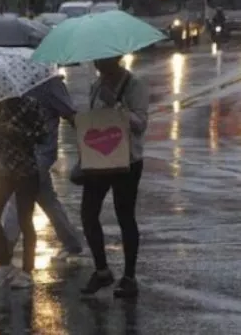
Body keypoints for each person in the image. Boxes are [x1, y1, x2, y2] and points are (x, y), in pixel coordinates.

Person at [80, 56, 149, 299]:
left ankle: (129, 276)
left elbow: (141, 124)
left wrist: (118, 107)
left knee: (125, 216)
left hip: (127, 161)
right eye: (96, 61)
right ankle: (101, 270)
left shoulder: (134, 85)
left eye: (103, 61)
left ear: (115, 60)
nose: (98, 65)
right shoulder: (96, 85)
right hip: (99, 160)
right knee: (88, 213)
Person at [0, 76, 84, 260]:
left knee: (19, 194)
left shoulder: (51, 83)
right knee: (47, 199)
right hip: (21, 153)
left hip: (41, 152)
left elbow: (71, 114)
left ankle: (6, 246)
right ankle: (72, 243)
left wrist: (87, 146)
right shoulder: (16, 80)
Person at [0, 95, 49, 289]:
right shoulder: (1, 107)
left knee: (25, 221)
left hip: (26, 170)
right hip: (4, 170)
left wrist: (16, 132)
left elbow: (42, 135)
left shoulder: (31, 104)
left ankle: (27, 270)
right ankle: (5, 263)